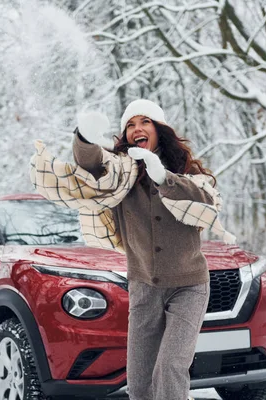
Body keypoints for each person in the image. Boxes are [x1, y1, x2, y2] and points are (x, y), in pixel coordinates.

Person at [70, 99, 236, 400]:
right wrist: (84, 136)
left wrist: (162, 177)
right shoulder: (119, 175)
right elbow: (90, 161)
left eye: (144, 122)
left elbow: (206, 201)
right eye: (130, 125)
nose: (137, 129)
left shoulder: (184, 171)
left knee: (170, 366)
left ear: (159, 129)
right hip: (144, 287)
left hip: (189, 287)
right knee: (140, 380)